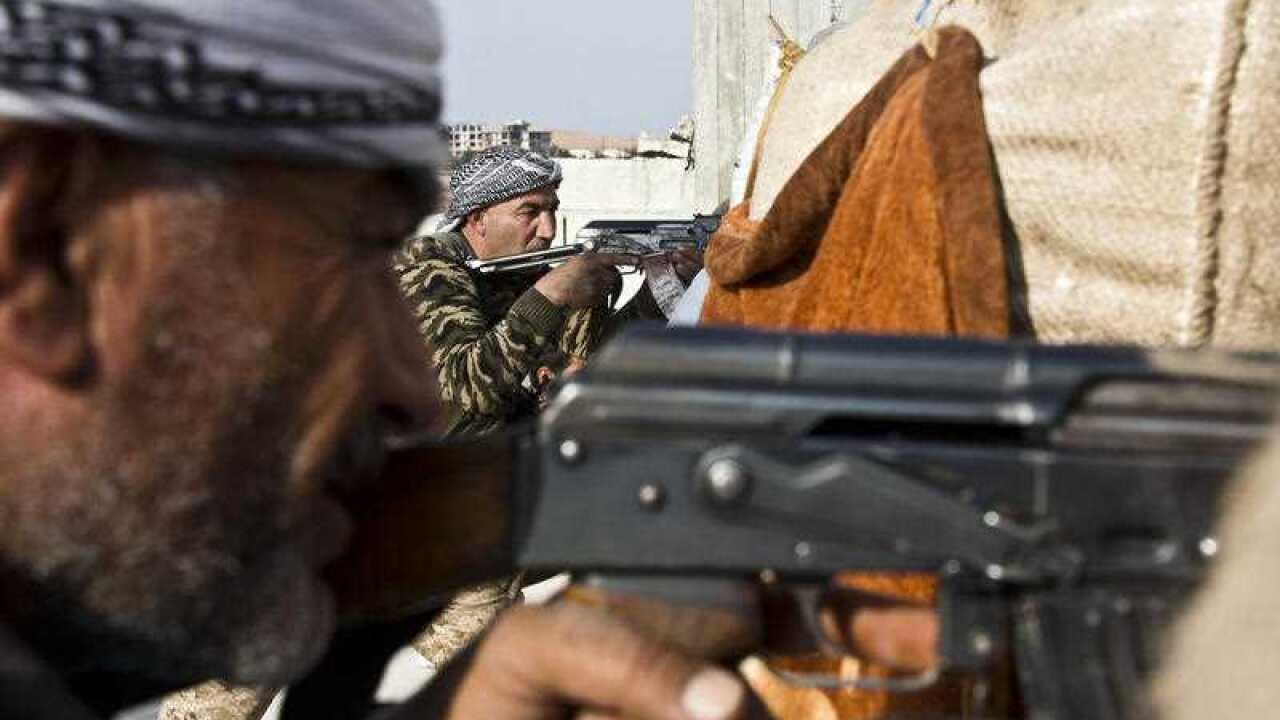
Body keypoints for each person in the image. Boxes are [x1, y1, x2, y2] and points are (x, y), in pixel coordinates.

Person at [0, 2, 750, 719]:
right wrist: (549, 298)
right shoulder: (443, 270)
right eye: (353, 256)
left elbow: (578, 367)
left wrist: (654, 292)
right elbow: (460, 394)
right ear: (44, 258)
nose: (403, 389)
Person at [396, 145, 699, 438]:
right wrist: (551, 295)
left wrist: (660, 289)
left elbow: (593, 365)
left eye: (552, 210)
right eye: (530, 212)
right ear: (478, 219)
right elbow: (469, 390)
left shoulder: (526, 272)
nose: (549, 230)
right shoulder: (428, 265)